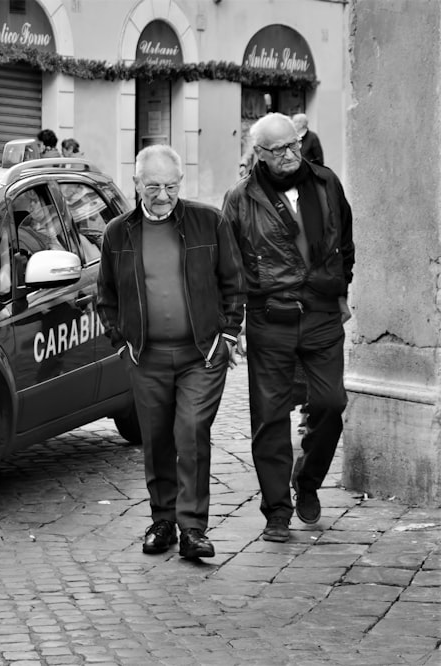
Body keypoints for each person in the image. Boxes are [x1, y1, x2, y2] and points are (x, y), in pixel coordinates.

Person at [96, 145, 245, 560]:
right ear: (137, 184)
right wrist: (122, 343)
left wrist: (228, 337)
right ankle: (163, 521)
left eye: (171, 186)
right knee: (156, 438)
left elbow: (233, 282)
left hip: (201, 353)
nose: (163, 196)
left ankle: (193, 528)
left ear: (181, 183)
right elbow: (105, 297)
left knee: (191, 431)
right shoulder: (117, 233)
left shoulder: (207, 222)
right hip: (146, 357)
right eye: (153, 187)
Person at [222, 112, 353, 543]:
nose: (289, 155)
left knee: (332, 403)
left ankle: (308, 480)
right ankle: (277, 510)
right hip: (270, 316)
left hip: (320, 314)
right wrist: (232, 325)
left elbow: (345, 241)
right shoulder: (240, 199)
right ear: (258, 154)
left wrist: (340, 291)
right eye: (278, 149)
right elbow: (230, 266)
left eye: (293, 145)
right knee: (270, 418)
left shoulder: (325, 182)